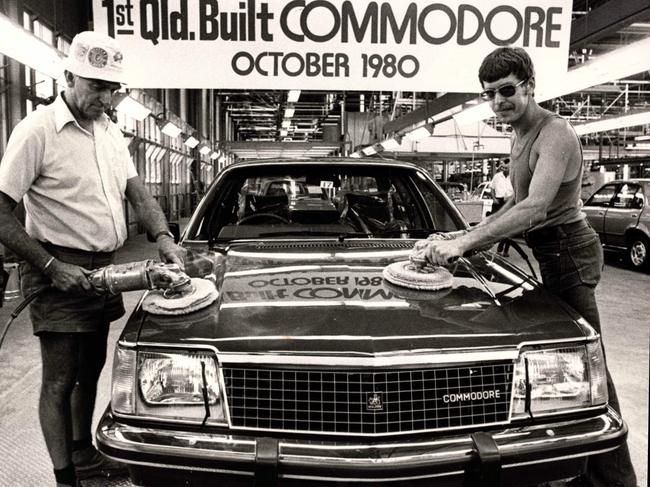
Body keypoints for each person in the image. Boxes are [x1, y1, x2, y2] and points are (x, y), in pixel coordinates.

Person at [422, 47, 636, 487]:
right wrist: (462, 235)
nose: (498, 102)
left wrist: (466, 241)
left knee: (589, 369)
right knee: (570, 364)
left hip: (570, 252)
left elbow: (536, 208)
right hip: (551, 251)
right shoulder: (518, 135)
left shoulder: (553, 132)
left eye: (507, 91)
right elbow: (515, 205)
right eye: (490, 95)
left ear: (530, 86)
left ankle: (616, 480)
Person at [0, 31, 185, 487]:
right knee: (59, 380)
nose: (105, 97)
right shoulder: (37, 130)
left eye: (112, 88)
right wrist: (49, 267)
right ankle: (66, 478)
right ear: (68, 76)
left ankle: (84, 456)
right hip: (57, 266)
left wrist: (163, 236)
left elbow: (137, 194)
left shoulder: (109, 133)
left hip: (105, 268)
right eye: (95, 86)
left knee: (92, 368)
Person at [490, 160, 514, 256]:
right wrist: (494, 198)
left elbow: (517, 189)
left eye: (506, 168)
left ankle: (504, 248)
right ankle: (500, 244)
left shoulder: (513, 177)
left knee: (510, 226)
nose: (504, 169)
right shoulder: (497, 176)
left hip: (509, 201)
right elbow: (492, 188)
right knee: (497, 225)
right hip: (498, 201)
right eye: (503, 167)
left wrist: (510, 197)